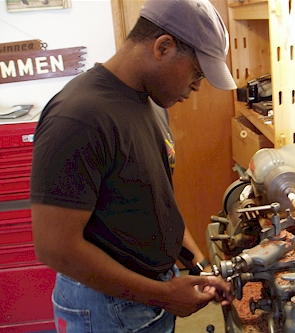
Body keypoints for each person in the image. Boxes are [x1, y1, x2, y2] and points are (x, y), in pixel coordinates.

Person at [30, 0, 237, 332]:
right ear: (163, 47)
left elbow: (154, 203)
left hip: (148, 297)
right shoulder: (79, 117)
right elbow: (56, 248)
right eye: (197, 72)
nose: (197, 86)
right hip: (103, 309)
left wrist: (199, 266)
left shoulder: (153, 103)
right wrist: (163, 295)